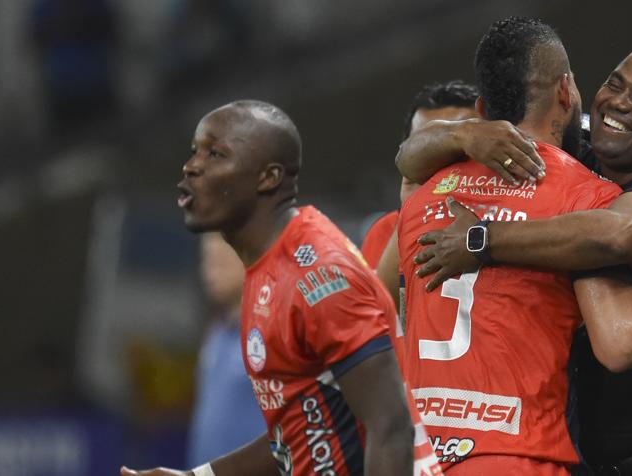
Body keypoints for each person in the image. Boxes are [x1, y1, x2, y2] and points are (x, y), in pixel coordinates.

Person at [398, 19, 632, 475]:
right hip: (565, 455)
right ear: (569, 92)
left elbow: (618, 241)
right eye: (613, 83)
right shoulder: (583, 177)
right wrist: (462, 133)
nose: (618, 103)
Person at [122, 100, 434, 476]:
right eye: (195, 152)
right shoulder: (265, 269)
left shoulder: (320, 274)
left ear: (268, 178)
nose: (192, 166)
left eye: (216, 154)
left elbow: (392, 428)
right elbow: (297, 433)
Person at [360, 80, 481, 270]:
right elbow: (386, 299)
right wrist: (411, 211)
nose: (441, 156)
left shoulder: (513, 213)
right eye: (426, 145)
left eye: (459, 145)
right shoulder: (386, 230)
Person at [186, 233, 267, 466]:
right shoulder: (216, 332)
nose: (209, 271)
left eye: (220, 262)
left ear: (248, 260)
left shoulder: (268, 334)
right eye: (206, 261)